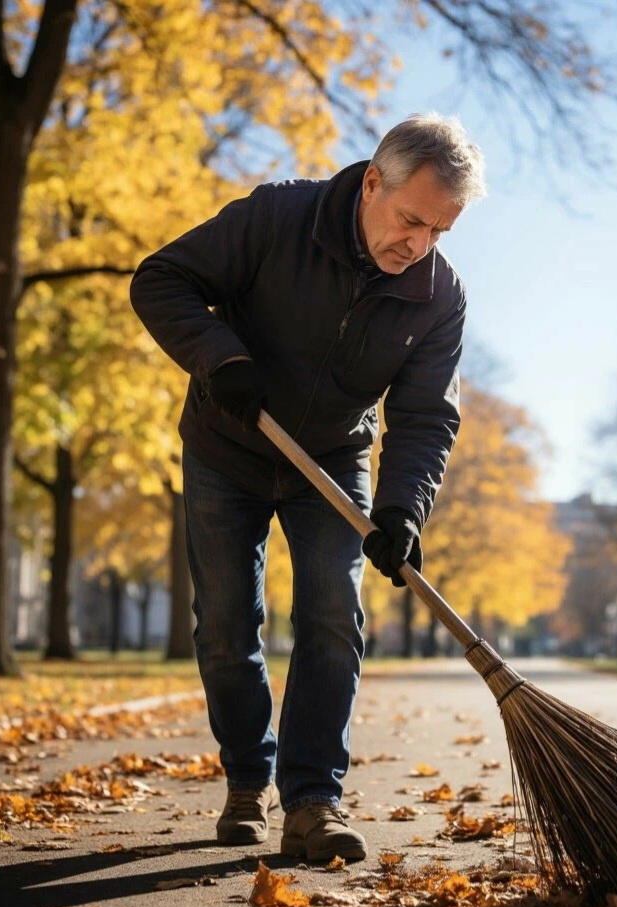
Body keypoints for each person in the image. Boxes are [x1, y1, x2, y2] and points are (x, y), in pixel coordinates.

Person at [130, 114, 486, 862]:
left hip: (330, 457)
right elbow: (161, 279)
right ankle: (246, 779)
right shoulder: (278, 217)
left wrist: (402, 509)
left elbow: (425, 415)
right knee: (226, 625)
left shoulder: (439, 297)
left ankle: (314, 799)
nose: (419, 244)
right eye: (411, 220)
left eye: (440, 231)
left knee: (332, 614)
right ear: (372, 184)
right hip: (227, 444)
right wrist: (220, 359)